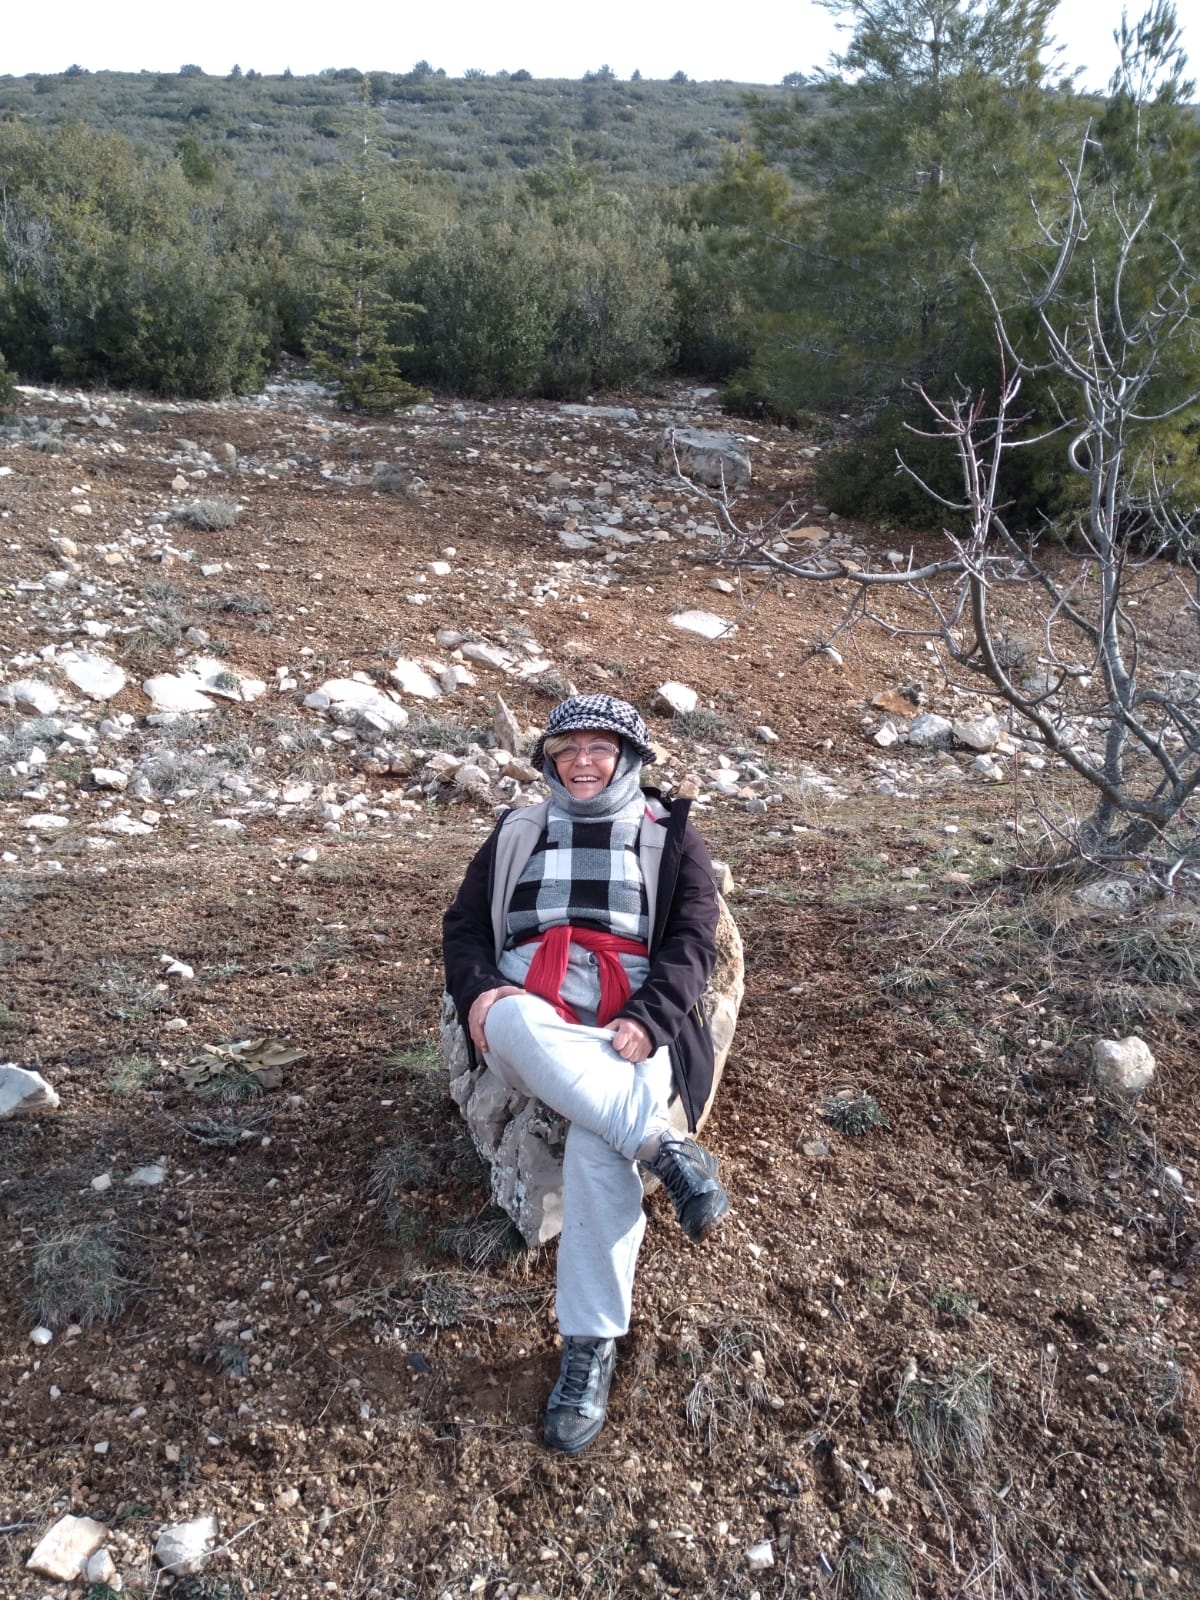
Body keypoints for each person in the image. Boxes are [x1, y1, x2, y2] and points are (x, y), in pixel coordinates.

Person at [443, 694, 730, 1456]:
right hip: (532, 1010)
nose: (581, 762)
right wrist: (479, 991)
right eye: (566, 749)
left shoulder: (670, 834)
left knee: (598, 1142)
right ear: (548, 760)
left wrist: (649, 1019)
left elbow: (694, 942)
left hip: (627, 1016)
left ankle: (589, 1346)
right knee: (508, 1021)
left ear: (628, 758)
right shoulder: (517, 830)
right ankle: (662, 1147)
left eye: (599, 748)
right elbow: (464, 926)